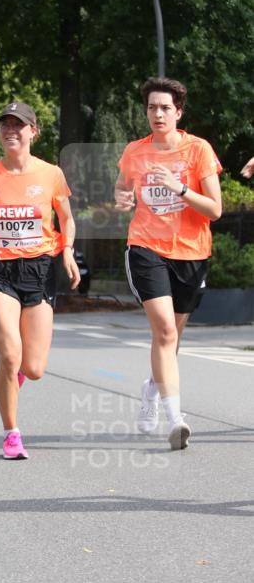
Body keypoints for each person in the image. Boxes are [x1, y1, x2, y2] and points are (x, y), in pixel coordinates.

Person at [0, 101, 80, 460]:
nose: (11, 130)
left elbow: (66, 219)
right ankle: (11, 432)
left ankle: (15, 377)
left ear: (33, 131)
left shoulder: (51, 174)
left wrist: (68, 250)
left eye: (19, 125)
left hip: (39, 269)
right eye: (5, 125)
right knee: (10, 355)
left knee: (34, 368)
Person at [114, 77, 222, 450]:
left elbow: (215, 209)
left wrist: (179, 188)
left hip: (191, 252)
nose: (157, 114)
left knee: (172, 337)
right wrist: (123, 198)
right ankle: (176, 418)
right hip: (146, 247)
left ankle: (151, 387)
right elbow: (123, 185)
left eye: (164, 108)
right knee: (163, 332)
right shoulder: (135, 152)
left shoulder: (198, 150)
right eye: (151, 108)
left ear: (178, 112)